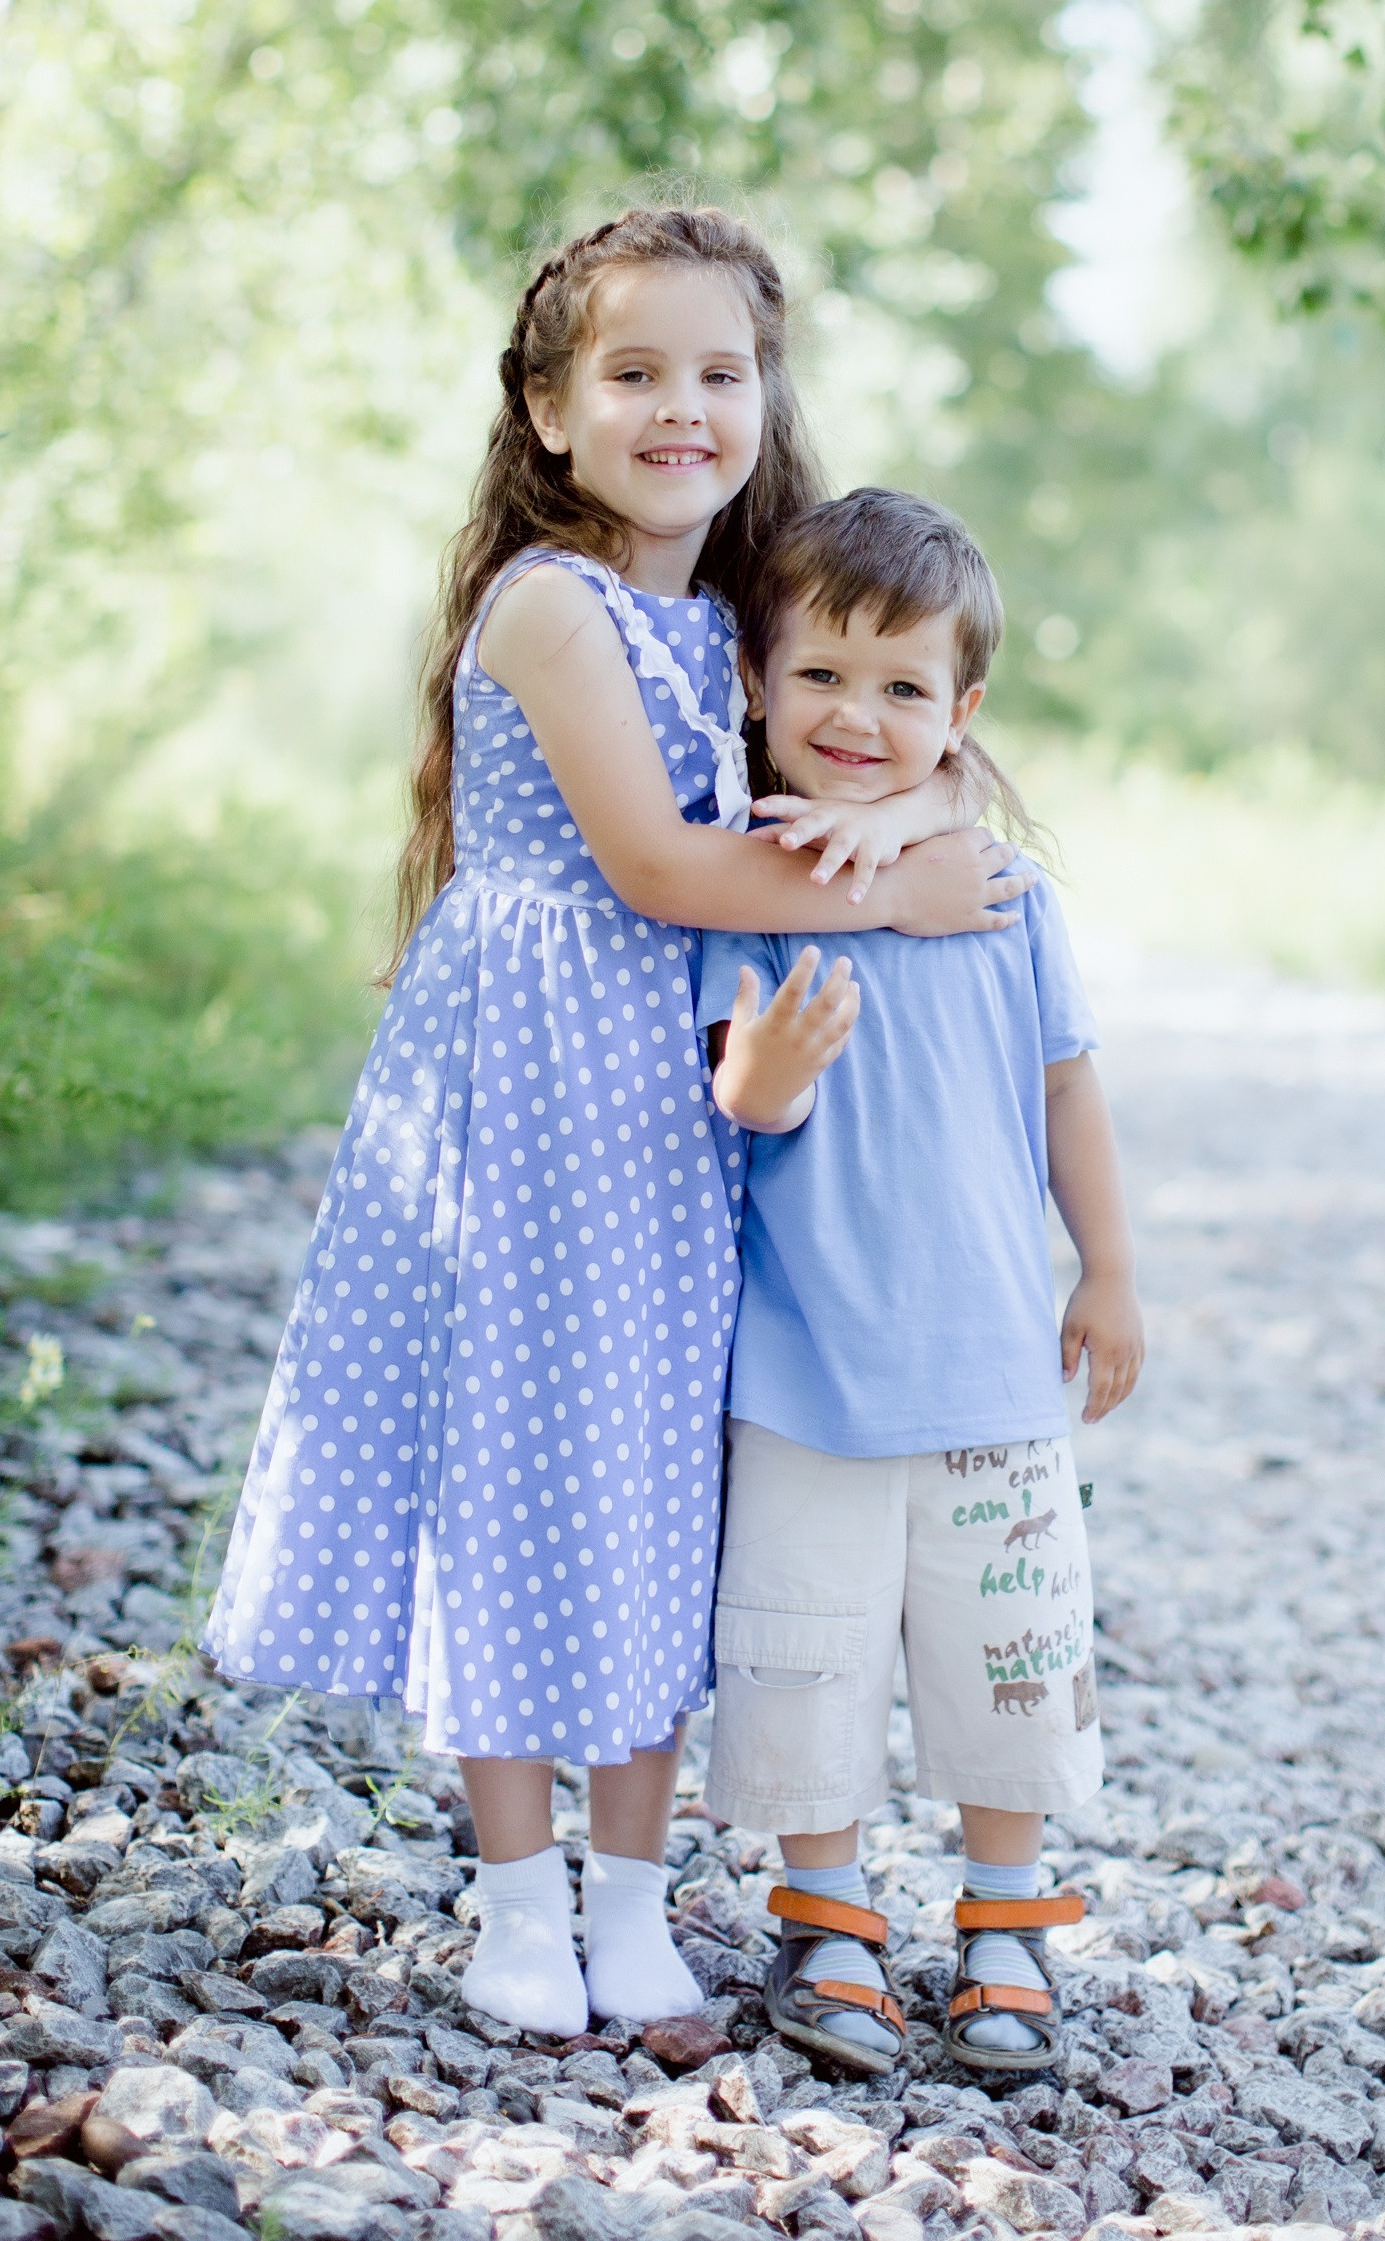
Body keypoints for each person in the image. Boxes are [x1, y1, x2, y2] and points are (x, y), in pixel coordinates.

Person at [204, 210, 1029, 2039]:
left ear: (764, 398)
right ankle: (516, 1899)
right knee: (518, 1464)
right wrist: (890, 894)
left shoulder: (748, 623)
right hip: (529, 1089)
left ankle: (635, 1899)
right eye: (635, 373)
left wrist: (900, 826)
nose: (684, 409)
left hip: (681, 1107)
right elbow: (659, 865)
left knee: (662, 1477)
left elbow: (911, 754)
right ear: (549, 409)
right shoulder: (550, 606)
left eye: (721, 374)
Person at [697, 485, 1146, 2079]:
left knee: (1003, 1655)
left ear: (959, 716)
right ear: (755, 685)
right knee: (807, 1650)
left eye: (901, 689)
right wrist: (769, 1070)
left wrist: (1106, 1269)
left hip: (989, 1375)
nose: (856, 717)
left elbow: (1066, 1086)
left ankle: (1007, 1921)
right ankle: (826, 1915)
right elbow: (742, 1103)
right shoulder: (745, 876)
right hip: (809, 1366)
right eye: (820, 676)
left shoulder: (1002, 894)